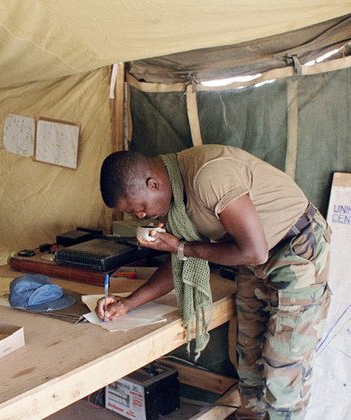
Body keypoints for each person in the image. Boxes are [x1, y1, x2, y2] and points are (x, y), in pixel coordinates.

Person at [97, 144, 331, 419]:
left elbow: (254, 250)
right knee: (250, 364)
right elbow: (179, 261)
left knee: (283, 371)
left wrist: (183, 247)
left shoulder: (208, 176)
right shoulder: (176, 202)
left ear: (153, 183)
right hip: (251, 260)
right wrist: (128, 303)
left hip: (295, 249)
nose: (140, 216)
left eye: (139, 208)